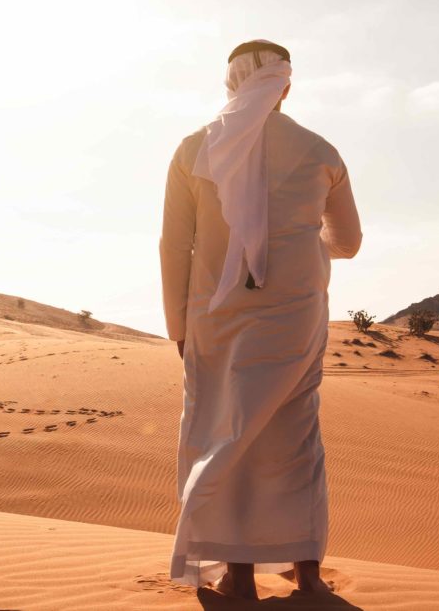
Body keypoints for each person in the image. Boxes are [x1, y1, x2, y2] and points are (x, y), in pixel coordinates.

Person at [159, 39, 363, 601]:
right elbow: (348, 243)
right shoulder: (320, 151)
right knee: (295, 439)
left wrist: (178, 326)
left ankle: (239, 575)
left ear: (231, 85)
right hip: (294, 318)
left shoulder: (192, 150)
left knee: (221, 434)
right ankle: (309, 573)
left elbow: (175, 247)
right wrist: (299, 237)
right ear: (285, 85)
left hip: (213, 319)